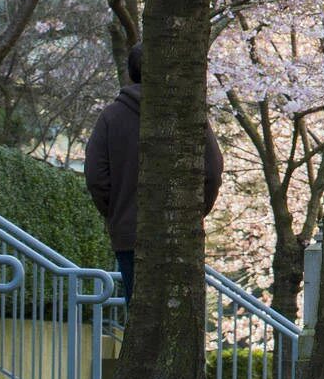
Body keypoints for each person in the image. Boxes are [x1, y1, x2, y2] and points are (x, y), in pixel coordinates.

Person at [84, 45, 224, 302]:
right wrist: (193, 211)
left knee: (139, 311)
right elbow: (212, 170)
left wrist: (116, 211)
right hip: (180, 230)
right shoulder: (188, 115)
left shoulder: (110, 117)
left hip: (129, 232)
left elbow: (96, 176)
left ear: (131, 72)